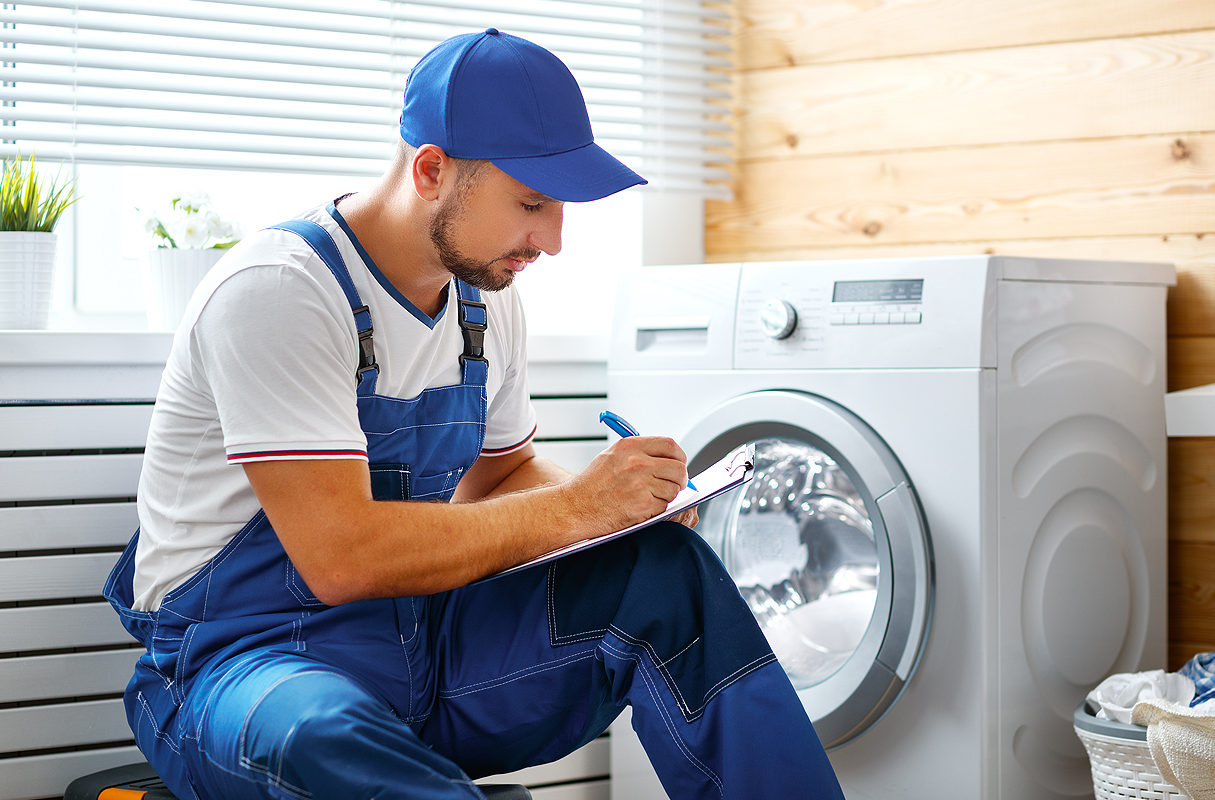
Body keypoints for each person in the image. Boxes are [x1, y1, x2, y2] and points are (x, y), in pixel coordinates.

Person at [104, 28, 845, 800]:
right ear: (431, 170)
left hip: (424, 647)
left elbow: (506, 474)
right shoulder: (280, 290)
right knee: (322, 733)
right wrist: (579, 505)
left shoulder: (484, 303)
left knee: (664, 573)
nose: (552, 240)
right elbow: (340, 557)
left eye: (558, 207)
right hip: (241, 667)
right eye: (531, 203)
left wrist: (622, 515)